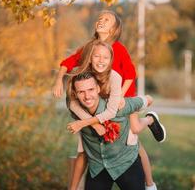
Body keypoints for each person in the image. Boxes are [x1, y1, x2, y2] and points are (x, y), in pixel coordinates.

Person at [53, 10, 164, 189]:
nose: (101, 21)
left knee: (133, 132)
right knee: (92, 138)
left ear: (114, 29)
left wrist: (120, 95)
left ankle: (151, 121)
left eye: (107, 20)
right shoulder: (89, 47)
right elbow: (69, 61)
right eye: (100, 18)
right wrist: (59, 79)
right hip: (102, 94)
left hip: (123, 93)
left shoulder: (118, 48)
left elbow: (130, 74)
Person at [68, 71, 151, 190]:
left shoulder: (117, 107)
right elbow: (83, 154)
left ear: (97, 88)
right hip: (98, 169)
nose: (87, 96)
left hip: (126, 164)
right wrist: (72, 188)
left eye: (90, 89)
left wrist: (148, 116)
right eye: (81, 92)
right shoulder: (77, 115)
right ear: (75, 94)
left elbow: (147, 100)